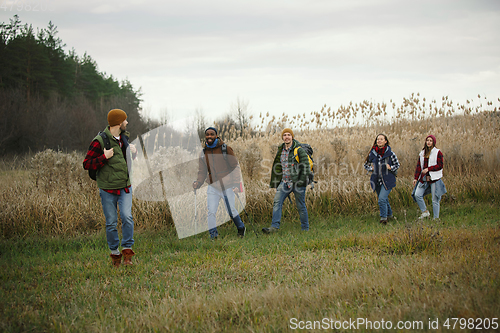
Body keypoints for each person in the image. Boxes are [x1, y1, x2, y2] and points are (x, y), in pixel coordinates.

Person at [83, 109, 137, 267]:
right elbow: (87, 164)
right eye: (125, 120)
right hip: (107, 189)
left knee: (127, 217)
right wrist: (103, 157)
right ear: (119, 123)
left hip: (125, 187)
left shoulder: (124, 139)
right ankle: (115, 255)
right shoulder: (99, 141)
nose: (127, 123)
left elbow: (124, 161)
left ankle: (127, 252)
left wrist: (133, 153)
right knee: (111, 223)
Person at [192, 127, 246, 239]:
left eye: (212, 134)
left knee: (231, 210)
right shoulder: (203, 153)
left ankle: (241, 227)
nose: (209, 136)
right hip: (212, 187)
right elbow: (202, 171)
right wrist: (198, 183)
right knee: (211, 212)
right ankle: (213, 236)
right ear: (205, 136)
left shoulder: (226, 149)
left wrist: (236, 184)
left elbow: (235, 167)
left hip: (227, 186)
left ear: (216, 136)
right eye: (207, 134)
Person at [262, 128, 310, 233]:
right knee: (277, 202)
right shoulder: (281, 150)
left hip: (297, 183)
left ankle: (305, 229)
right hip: (284, 182)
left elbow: (306, 167)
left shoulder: (299, 150)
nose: (286, 137)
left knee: (301, 206)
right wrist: (276, 181)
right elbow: (278, 167)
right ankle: (274, 227)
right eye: (284, 135)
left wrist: (301, 182)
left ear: (292, 137)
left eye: (289, 135)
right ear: (282, 137)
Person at [364, 133, 400, 224]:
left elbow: (397, 165)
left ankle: (384, 218)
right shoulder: (373, 153)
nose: (379, 141)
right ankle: (390, 215)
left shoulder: (390, 153)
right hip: (376, 180)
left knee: (381, 199)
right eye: (377, 139)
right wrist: (371, 168)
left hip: (388, 180)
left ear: (385, 141)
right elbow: (366, 164)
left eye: (381, 139)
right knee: (384, 199)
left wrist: (390, 168)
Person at [412, 135, 447, 219]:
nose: (429, 142)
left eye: (431, 141)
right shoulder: (422, 153)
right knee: (417, 195)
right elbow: (418, 167)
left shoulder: (438, 152)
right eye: (427, 140)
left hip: (434, 178)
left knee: (435, 199)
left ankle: (436, 218)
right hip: (423, 178)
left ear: (433, 142)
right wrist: (416, 178)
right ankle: (425, 212)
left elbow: (440, 165)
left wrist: (428, 169)